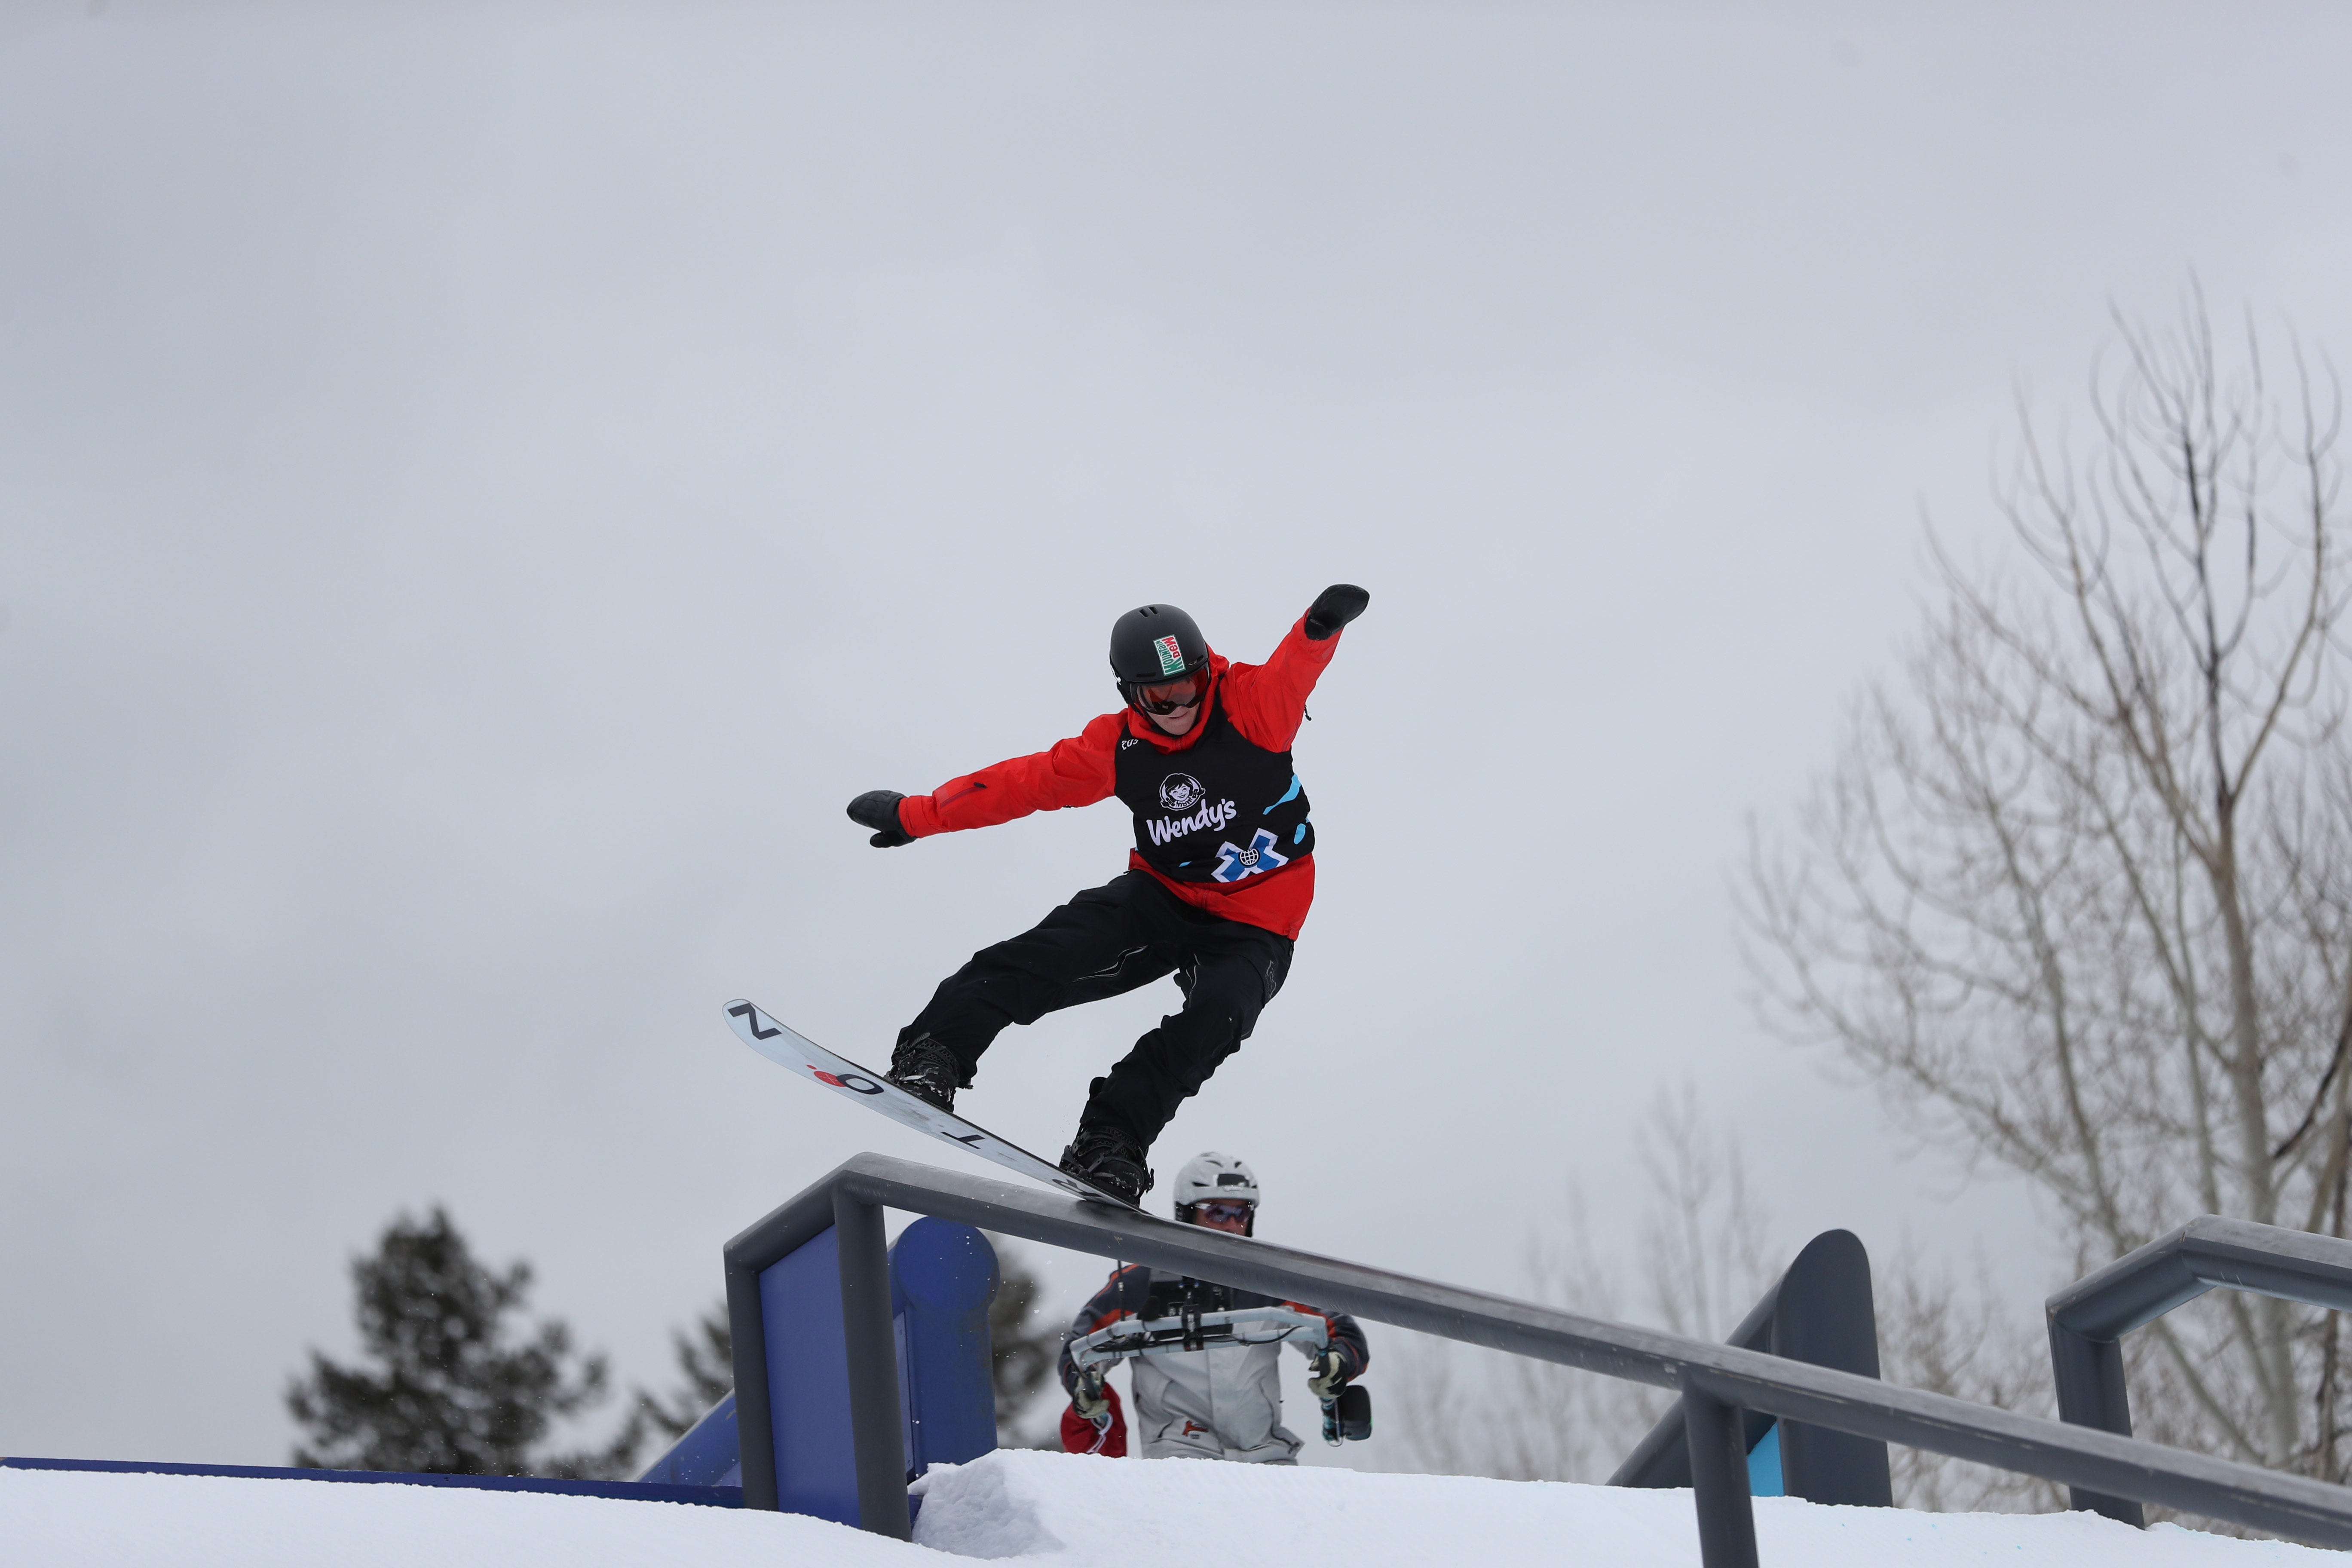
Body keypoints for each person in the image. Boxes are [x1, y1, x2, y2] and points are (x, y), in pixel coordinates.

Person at [845, 585, 1369, 1204]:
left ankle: (1111, 1142)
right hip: (1163, 894)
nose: (1180, 705)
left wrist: (1319, 627)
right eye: (1160, 695)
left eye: (1190, 686)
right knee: (1057, 948)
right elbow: (1023, 784)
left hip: (1259, 919)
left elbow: (1293, 669)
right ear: (1130, 694)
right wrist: (917, 815)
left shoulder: (1252, 707)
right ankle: (935, 1051)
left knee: (1217, 1018)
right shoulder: (1118, 749)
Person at [1054, 1153, 1369, 1462]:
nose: (1232, 1226)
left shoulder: (1270, 1284)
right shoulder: (1139, 1286)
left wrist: (1338, 1362)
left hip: (1266, 1454)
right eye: (1217, 1213)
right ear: (1186, 1214)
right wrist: (1084, 1383)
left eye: (1242, 1213)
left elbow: (1337, 1329)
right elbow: (1082, 1349)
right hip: (1180, 1455)